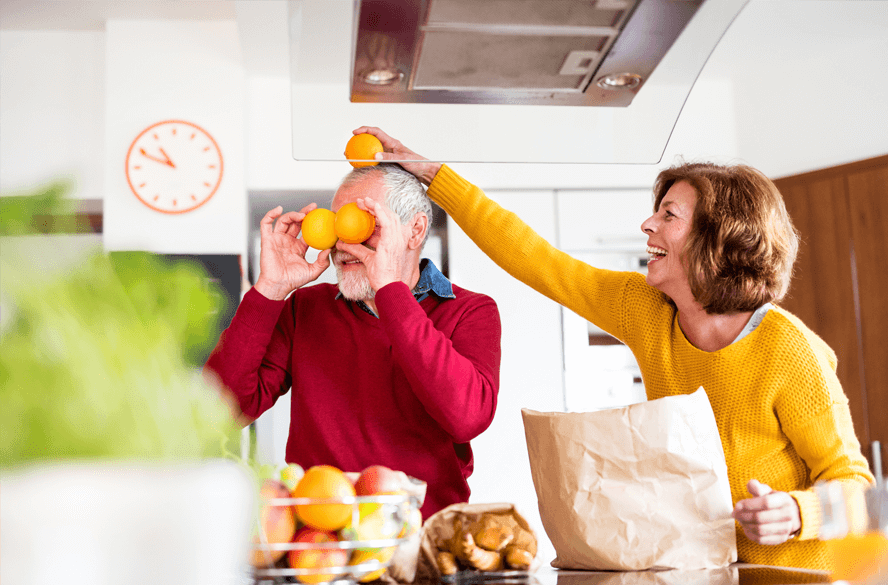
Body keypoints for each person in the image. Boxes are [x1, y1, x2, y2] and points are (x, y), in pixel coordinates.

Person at [354, 127, 875, 570]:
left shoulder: (788, 351)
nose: (648, 225)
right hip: (699, 570)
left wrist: (797, 511)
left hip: (795, 578)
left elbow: (857, 487)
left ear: (720, 238)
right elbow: (535, 258)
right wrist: (432, 174)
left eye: (669, 215)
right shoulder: (646, 309)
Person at [205, 163, 502, 519]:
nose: (345, 242)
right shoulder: (305, 309)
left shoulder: (470, 311)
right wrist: (269, 290)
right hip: (321, 540)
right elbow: (220, 412)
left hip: (425, 543)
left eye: (364, 223)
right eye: (339, 224)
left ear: (415, 230)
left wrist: (389, 290)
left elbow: (467, 417)